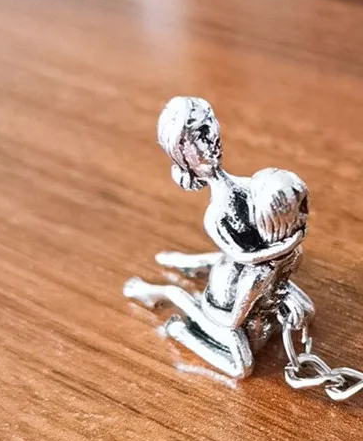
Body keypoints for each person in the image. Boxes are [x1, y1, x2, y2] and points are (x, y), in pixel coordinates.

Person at [124, 97, 313, 378]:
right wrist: (289, 244)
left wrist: (282, 286)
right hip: (229, 299)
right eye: (200, 136)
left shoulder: (252, 186)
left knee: (307, 311)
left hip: (263, 285)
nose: (211, 139)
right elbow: (245, 257)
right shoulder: (215, 216)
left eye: (211, 128)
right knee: (243, 368)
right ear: (183, 153)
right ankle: (175, 320)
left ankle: (183, 262)